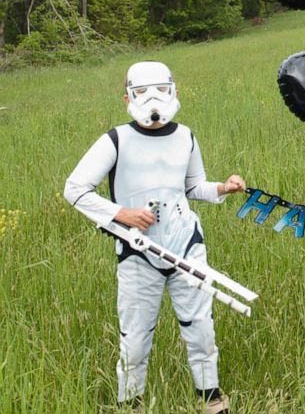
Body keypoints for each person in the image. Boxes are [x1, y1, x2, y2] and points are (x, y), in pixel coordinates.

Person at [64, 61, 245, 413]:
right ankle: (131, 404)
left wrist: (224, 187)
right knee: (135, 337)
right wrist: (121, 214)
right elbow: (75, 189)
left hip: (187, 244)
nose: (153, 101)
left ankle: (211, 400)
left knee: (201, 329)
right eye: (142, 93)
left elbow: (193, 186)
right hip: (138, 252)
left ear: (174, 91)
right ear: (126, 97)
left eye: (161, 91)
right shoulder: (115, 139)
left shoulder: (186, 136)